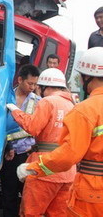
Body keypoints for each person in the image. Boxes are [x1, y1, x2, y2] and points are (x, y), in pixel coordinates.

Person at [17, 47, 103, 216]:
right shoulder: (73, 104)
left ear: (87, 76)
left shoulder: (86, 109)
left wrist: (34, 168)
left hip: (91, 190)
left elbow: (69, 154)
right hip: (69, 177)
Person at [7, 68, 75, 216]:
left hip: (44, 169)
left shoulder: (48, 102)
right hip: (67, 171)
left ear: (45, 87)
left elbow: (33, 128)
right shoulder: (72, 105)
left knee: (31, 212)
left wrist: (15, 111)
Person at [0, 64, 40, 217]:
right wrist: (8, 145)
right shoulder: (5, 98)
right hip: (7, 153)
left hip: (27, 154)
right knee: (8, 194)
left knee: (27, 194)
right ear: (20, 80)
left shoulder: (38, 102)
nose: (33, 87)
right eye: (30, 83)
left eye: (35, 84)